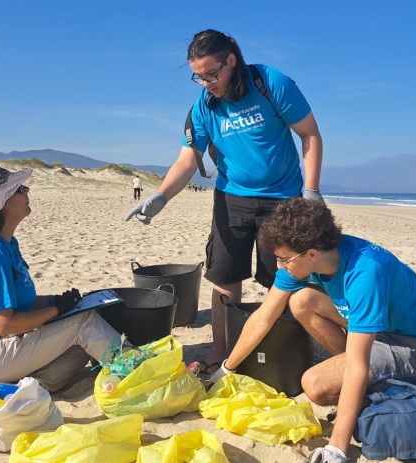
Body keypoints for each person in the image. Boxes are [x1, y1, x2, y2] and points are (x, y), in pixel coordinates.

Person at [125, 29, 323, 373]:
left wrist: (312, 190)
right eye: (197, 77)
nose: (205, 83)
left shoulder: (269, 82)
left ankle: (286, 348)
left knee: (282, 277)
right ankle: (221, 349)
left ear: (232, 60)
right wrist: (161, 195)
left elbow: (309, 134)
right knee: (225, 275)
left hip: (283, 199)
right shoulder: (204, 105)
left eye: (211, 73)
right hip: (232, 199)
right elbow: (188, 159)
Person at [209, 198, 416, 462]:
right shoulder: (308, 258)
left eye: (283, 259)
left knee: (316, 385)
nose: (279, 266)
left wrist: (336, 448)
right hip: (380, 328)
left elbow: (357, 365)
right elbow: (262, 318)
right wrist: (226, 369)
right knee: (301, 300)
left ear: (311, 254)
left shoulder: (365, 272)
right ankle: (374, 376)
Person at [0, 165, 120, 418]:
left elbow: (17, 302)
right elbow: (3, 324)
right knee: (84, 324)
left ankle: (6, 391)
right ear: (2, 204)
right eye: (19, 189)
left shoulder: (6, 243)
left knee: (79, 347)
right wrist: (55, 311)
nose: (27, 190)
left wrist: (59, 301)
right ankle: (140, 373)